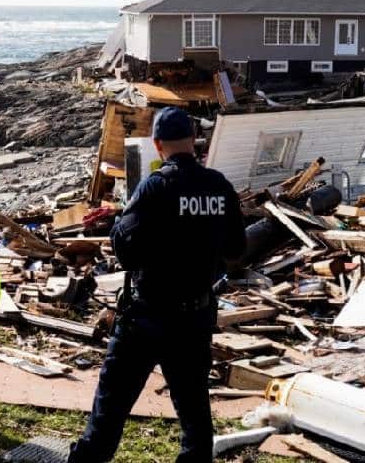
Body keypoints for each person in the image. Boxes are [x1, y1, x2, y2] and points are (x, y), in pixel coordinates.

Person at [68, 106, 246, 463]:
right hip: (194, 317)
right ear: (194, 140)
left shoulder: (155, 187)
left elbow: (126, 251)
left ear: (157, 143)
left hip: (148, 318)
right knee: (195, 413)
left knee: (111, 408)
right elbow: (236, 251)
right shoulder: (219, 187)